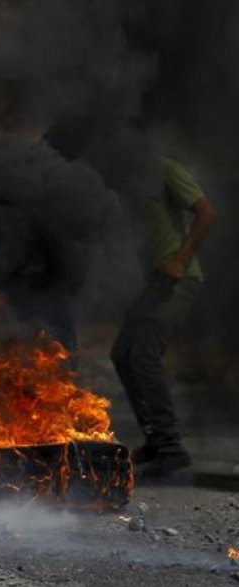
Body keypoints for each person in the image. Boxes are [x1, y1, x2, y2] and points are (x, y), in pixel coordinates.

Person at [111, 158, 216, 479]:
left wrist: (179, 260)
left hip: (179, 280)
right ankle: (157, 440)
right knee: (122, 354)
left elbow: (207, 213)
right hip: (154, 285)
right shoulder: (128, 177)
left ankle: (171, 449)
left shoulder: (164, 167)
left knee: (143, 356)